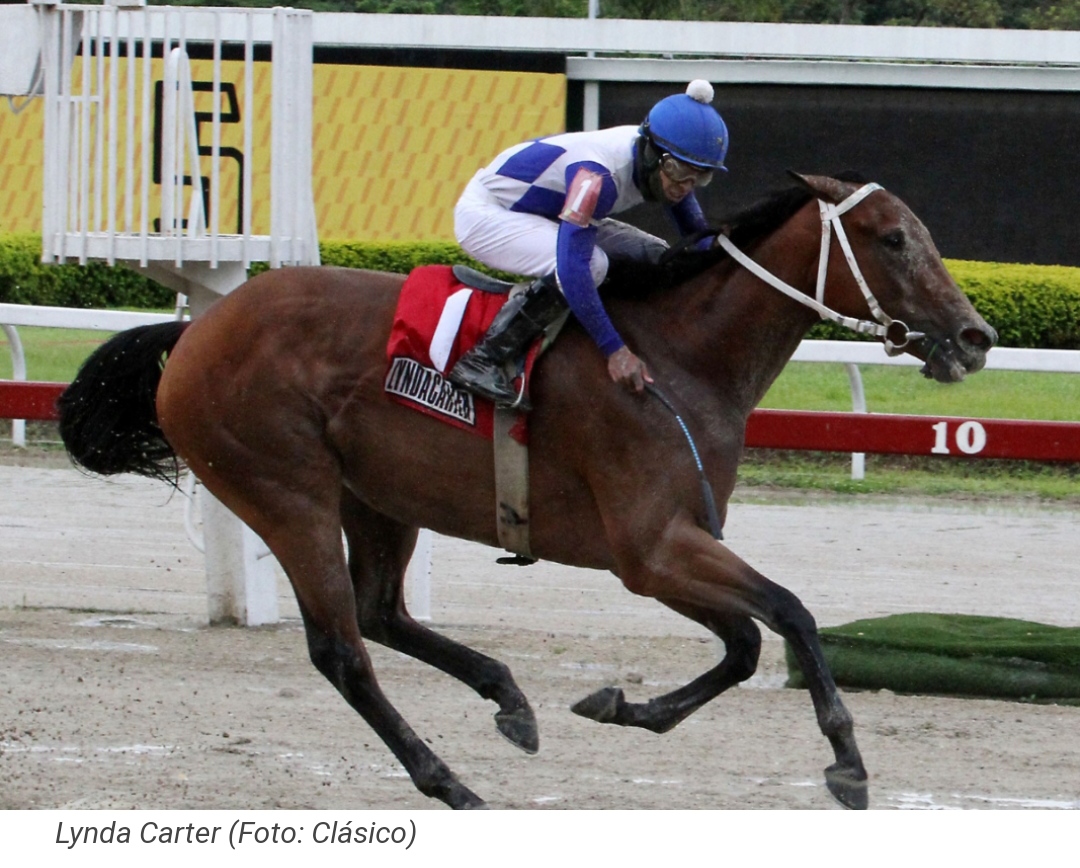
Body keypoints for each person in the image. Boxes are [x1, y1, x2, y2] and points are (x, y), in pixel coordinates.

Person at [449, 79, 729, 411]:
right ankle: (484, 358)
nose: (686, 186)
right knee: (592, 265)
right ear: (655, 156)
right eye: (679, 171)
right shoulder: (596, 178)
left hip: (545, 212)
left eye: (700, 177)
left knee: (654, 254)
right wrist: (615, 350)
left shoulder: (660, 159)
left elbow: (697, 238)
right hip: (488, 214)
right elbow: (573, 269)